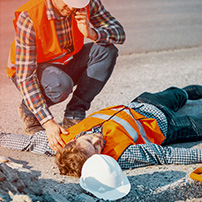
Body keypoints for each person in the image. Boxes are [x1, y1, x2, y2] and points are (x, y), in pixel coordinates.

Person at [1, 85, 202, 177]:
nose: (99, 142)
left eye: (90, 141)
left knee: (179, 93)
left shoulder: (61, 140)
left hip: (141, 103)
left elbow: (27, 143)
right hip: (168, 124)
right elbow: (165, 155)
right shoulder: (119, 156)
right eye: (96, 149)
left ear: (73, 142)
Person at [6, 0, 126, 152]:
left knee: (106, 51)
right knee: (60, 85)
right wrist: (48, 122)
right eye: (68, 3)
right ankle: (29, 111)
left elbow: (120, 34)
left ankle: (74, 113)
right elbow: (26, 76)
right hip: (31, 70)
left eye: (77, 4)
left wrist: (93, 33)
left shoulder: (87, 3)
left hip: (66, 61)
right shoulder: (29, 16)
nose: (72, 9)